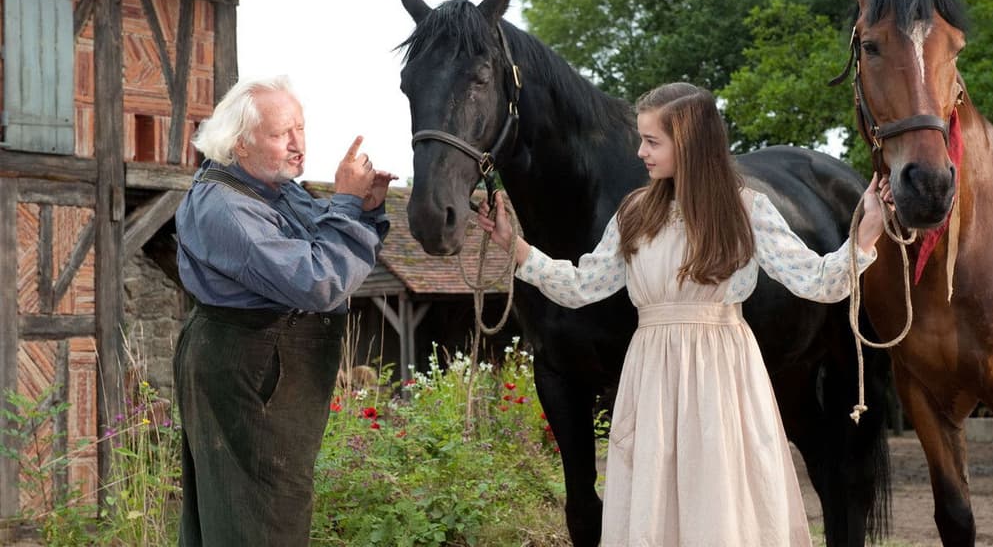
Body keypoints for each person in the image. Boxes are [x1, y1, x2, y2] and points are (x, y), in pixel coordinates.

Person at [478, 82, 891, 546]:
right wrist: (513, 246)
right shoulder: (635, 213)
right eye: (641, 139)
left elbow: (818, 281)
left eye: (652, 141)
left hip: (723, 380)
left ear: (690, 143)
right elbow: (581, 287)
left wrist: (866, 235)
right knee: (655, 509)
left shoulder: (745, 212)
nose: (640, 152)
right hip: (651, 379)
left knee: (720, 505)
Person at [172, 75, 395, 546]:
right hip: (248, 369)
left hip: (266, 367)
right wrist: (348, 204)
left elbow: (329, 239)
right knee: (255, 515)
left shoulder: (277, 187)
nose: (298, 145)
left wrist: (364, 211)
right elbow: (319, 281)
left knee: (261, 507)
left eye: (300, 128)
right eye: (280, 134)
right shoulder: (227, 207)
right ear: (239, 145)